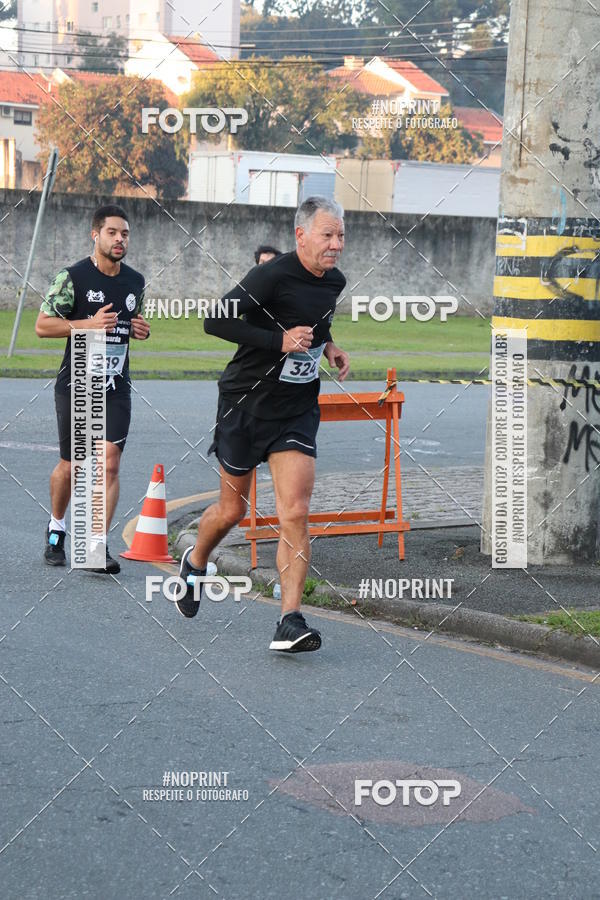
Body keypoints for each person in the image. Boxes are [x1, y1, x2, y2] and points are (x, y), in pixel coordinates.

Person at [178, 196, 350, 653]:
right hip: (245, 403)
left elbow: (316, 319)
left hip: (296, 407)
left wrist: (328, 346)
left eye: (340, 236)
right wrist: (280, 341)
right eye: (327, 235)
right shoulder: (270, 275)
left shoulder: (335, 281)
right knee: (231, 511)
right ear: (301, 235)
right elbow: (215, 322)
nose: (336, 244)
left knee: (294, 511)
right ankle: (195, 562)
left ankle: (289, 621)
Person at [35, 204, 149, 573]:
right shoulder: (72, 278)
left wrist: (136, 329)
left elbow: (126, 323)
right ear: (95, 235)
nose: (119, 239)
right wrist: (88, 324)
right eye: (113, 232)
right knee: (72, 465)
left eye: (125, 233)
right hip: (78, 384)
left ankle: (97, 545)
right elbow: (43, 326)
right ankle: (57, 527)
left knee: (110, 462)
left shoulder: (135, 281)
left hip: (115, 385)